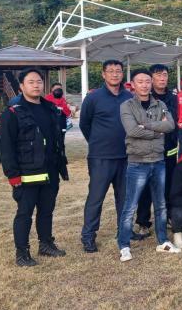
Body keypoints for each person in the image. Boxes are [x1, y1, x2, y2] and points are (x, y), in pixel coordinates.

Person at [0, 68, 69, 266]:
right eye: (31, 82)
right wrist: (13, 175)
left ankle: (46, 244)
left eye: (39, 81)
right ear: (21, 86)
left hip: (50, 170)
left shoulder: (50, 108)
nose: (36, 85)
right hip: (27, 172)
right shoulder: (13, 112)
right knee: (25, 213)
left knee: (47, 210)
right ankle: (22, 253)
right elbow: (6, 147)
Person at [118, 69, 180, 262]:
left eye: (147, 81)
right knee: (130, 206)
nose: (144, 85)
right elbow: (132, 130)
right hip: (138, 162)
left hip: (158, 161)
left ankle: (163, 241)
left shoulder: (161, 104)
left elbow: (170, 126)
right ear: (132, 85)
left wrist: (146, 125)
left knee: (160, 205)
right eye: (140, 81)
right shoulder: (127, 105)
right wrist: (157, 130)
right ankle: (124, 245)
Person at [79, 59, 132, 253]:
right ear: (103, 74)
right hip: (101, 157)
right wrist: (97, 141)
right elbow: (84, 124)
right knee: (96, 198)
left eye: (118, 71)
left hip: (125, 157)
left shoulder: (129, 97)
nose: (115, 74)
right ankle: (88, 236)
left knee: (124, 198)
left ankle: (124, 232)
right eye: (111, 71)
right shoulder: (93, 98)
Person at [135, 64, 179, 236]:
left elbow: (172, 122)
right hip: (149, 149)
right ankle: (143, 221)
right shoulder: (144, 97)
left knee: (168, 185)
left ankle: (167, 216)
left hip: (169, 149)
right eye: (158, 75)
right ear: (151, 78)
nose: (162, 78)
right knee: (145, 186)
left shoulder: (173, 98)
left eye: (165, 75)